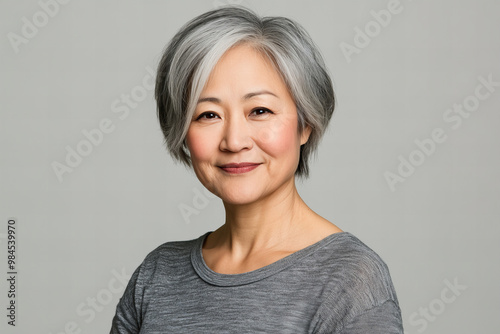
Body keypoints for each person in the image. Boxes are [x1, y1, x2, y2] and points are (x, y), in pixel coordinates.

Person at [110, 6, 403, 333]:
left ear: (305, 124)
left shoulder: (349, 281)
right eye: (208, 115)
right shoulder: (156, 276)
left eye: (260, 110)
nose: (234, 141)